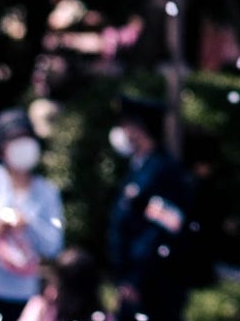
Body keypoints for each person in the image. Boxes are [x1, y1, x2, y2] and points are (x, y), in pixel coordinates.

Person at [0, 110, 64, 320]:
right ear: (1, 148)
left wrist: (29, 224)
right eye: (14, 139)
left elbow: (54, 245)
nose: (22, 146)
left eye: (26, 138)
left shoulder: (46, 191)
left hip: (22, 294)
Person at [104, 97, 193, 321]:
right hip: (135, 281)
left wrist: (136, 279)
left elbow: (160, 231)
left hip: (154, 285)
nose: (122, 132)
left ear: (140, 129)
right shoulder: (140, 166)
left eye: (126, 125)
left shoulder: (163, 171)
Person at [15, 250, 99, 321]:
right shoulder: (40, 307)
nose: (49, 292)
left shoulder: (97, 316)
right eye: (52, 283)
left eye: (60, 287)